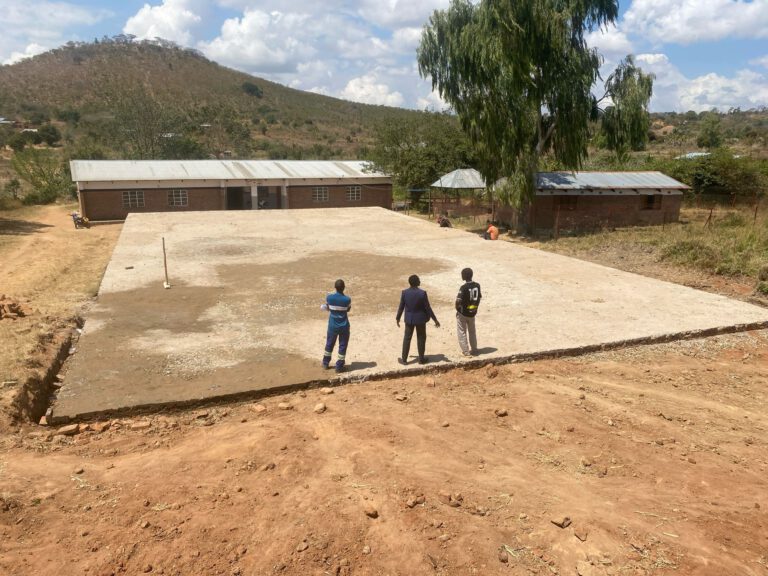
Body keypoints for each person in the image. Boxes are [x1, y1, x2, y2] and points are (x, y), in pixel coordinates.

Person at [396, 274, 440, 365]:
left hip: (409, 319)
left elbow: (401, 307)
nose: (420, 281)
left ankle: (404, 360)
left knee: (407, 338)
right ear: (416, 282)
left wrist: (398, 318)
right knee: (421, 338)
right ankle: (421, 359)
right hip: (420, 319)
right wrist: (435, 320)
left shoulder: (404, 292)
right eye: (419, 280)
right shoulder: (422, 293)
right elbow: (428, 308)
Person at [321, 279, 351, 373]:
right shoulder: (347, 299)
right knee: (342, 346)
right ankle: (339, 367)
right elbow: (348, 309)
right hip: (344, 326)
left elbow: (327, 307)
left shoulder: (329, 298)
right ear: (344, 288)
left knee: (329, 344)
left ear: (335, 288)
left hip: (332, 326)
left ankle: (325, 363)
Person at [455, 267, 482, 357]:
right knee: (472, 331)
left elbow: (458, 301)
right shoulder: (477, 285)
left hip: (463, 312)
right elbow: (479, 297)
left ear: (464, 276)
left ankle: (466, 351)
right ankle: (474, 349)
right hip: (473, 312)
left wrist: (457, 309)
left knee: (462, 331)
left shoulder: (463, 287)